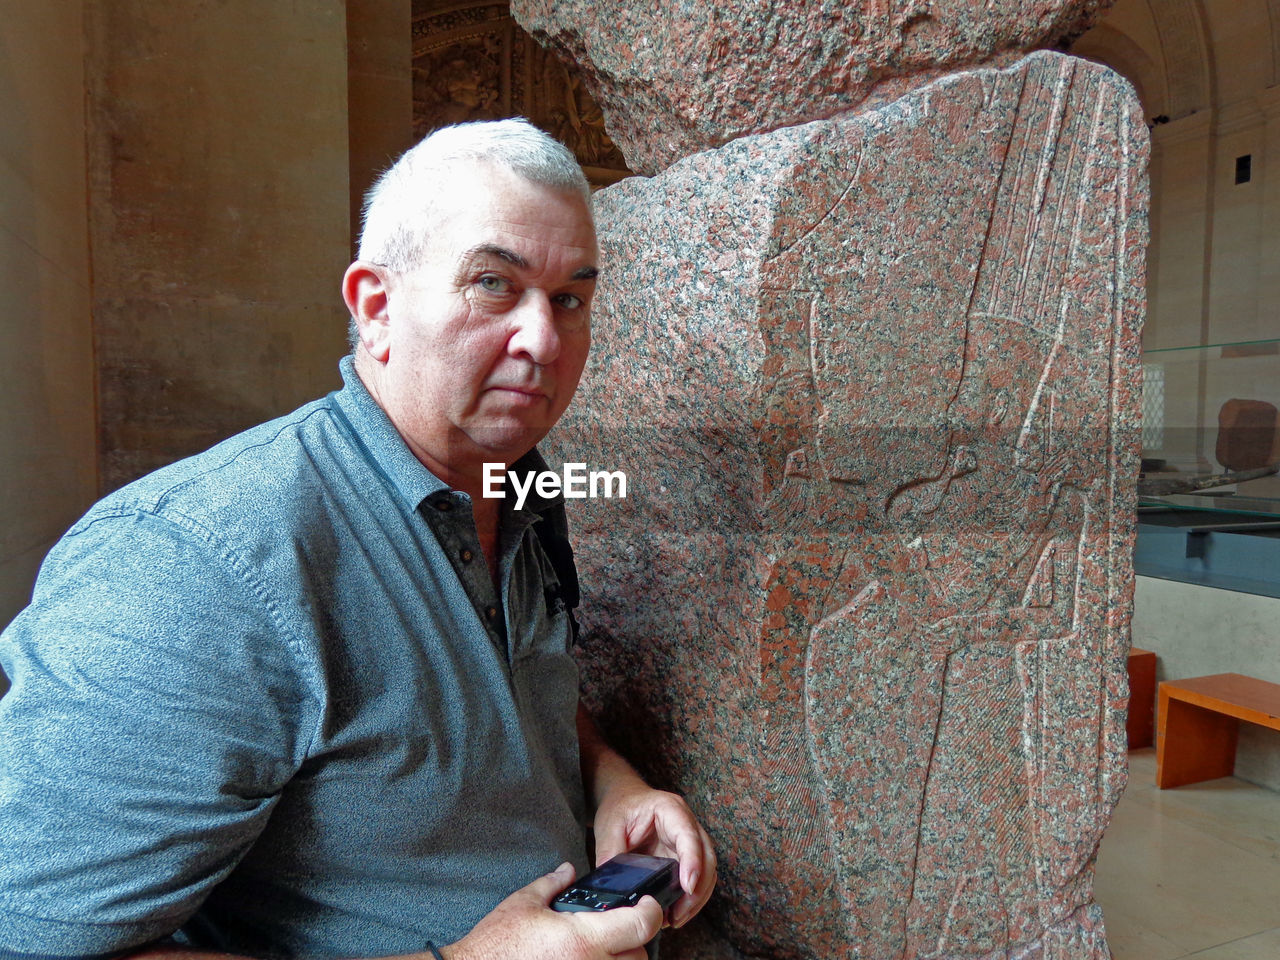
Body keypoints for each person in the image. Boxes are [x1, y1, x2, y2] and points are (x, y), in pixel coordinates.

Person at [0, 119, 715, 960]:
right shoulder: (194, 563)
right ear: (376, 308)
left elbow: (503, 687)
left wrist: (609, 781)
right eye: (494, 284)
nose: (544, 341)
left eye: (569, 298)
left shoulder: (520, 484)